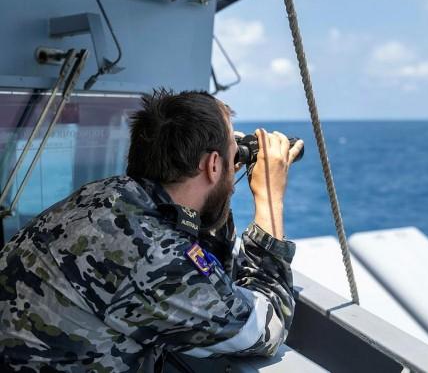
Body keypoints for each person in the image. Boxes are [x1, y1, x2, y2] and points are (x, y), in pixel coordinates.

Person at [0, 89, 304, 372]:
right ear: (213, 164)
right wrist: (269, 197)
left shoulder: (102, 195)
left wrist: (219, 183)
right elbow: (268, 326)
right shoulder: (156, 256)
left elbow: (208, 279)